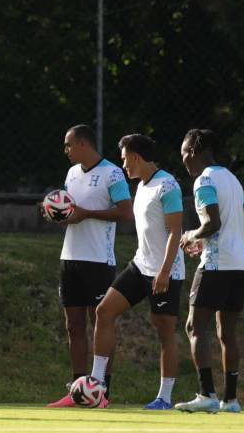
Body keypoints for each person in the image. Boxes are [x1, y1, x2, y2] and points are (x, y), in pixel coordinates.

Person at [88, 134, 185, 410]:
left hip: (166, 272)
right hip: (140, 265)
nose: (123, 166)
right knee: (104, 311)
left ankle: (165, 397)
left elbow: (175, 231)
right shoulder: (142, 185)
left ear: (136, 157)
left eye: (124, 160)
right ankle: (96, 385)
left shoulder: (167, 185)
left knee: (164, 331)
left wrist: (164, 271)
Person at [47, 124, 132, 408]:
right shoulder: (72, 173)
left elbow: (125, 212)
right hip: (69, 257)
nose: (65, 150)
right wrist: (58, 214)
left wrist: (87, 215)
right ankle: (77, 390)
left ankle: (102, 391)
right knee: (73, 326)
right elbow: (71, 210)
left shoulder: (112, 172)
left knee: (101, 323)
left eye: (68, 144)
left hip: (98, 260)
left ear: (83, 143)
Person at [174, 129, 244, 414]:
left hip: (217, 264)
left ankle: (206, 393)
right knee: (227, 332)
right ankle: (231, 400)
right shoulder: (233, 180)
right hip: (240, 263)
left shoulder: (203, 180)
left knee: (195, 325)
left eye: (184, 153)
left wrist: (191, 236)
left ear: (194, 150)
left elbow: (213, 222)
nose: (183, 160)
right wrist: (206, 238)